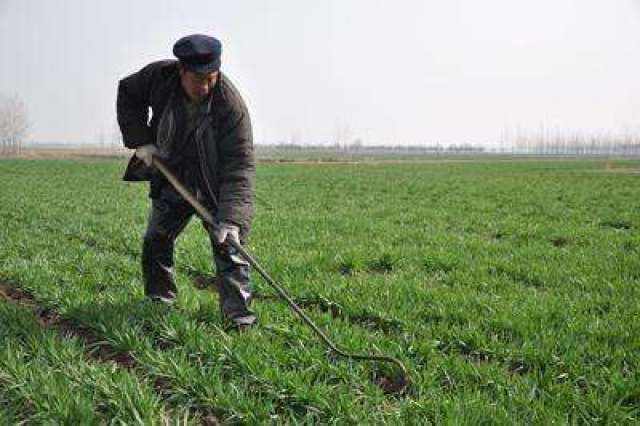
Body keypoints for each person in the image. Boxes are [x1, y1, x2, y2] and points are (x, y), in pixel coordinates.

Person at [116, 34, 256, 329]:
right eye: (197, 79)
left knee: (230, 246)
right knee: (157, 239)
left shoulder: (231, 107)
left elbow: (239, 168)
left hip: (213, 183)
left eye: (211, 78)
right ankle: (159, 301)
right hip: (173, 173)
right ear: (181, 71)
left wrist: (231, 220)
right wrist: (141, 141)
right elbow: (128, 92)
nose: (205, 87)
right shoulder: (158, 77)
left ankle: (239, 320)